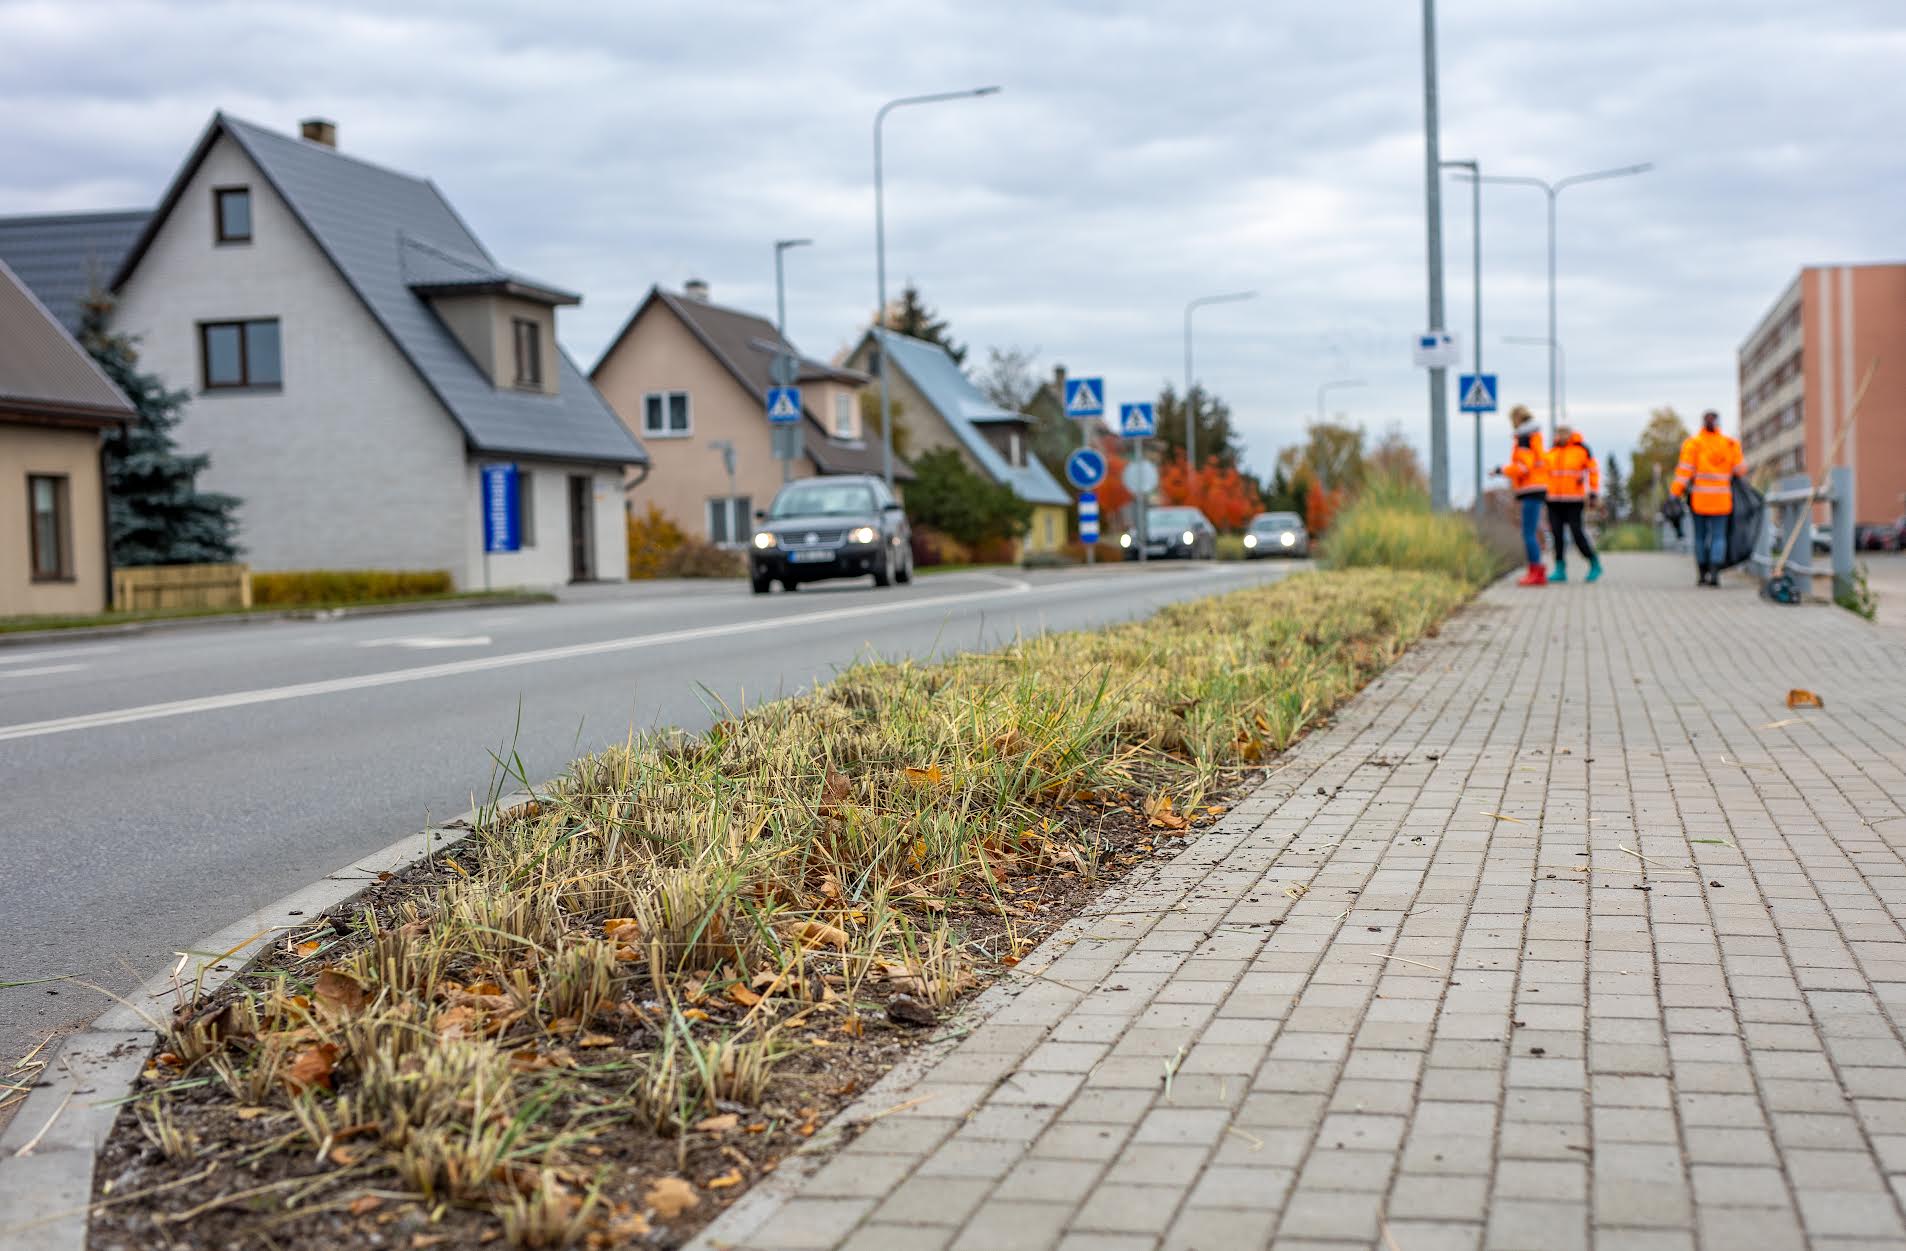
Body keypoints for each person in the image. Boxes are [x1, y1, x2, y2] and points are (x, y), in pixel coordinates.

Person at [1669, 409, 1745, 586]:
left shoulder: (1694, 444)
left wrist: (1674, 493)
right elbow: (1741, 469)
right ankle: (1715, 573)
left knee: (1700, 537)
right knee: (1719, 537)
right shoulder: (1729, 444)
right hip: (1721, 500)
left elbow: (1684, 472)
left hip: (1700, 500)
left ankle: (1702, 574)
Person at [1491, 405, 1549, 587]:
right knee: (1531, 530)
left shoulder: (1524, 438)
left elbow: (1523, 467)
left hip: (1531, 488)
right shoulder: (1534, 437)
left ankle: (1536, 571)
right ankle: (1536, 570)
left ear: (1517, 419)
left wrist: (1502, 470)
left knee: (1528, 532)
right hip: (1536, 487)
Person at [1544, 423, 1603, 583]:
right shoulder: (1551, 453)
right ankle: (1560, 568)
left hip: (1574, 499)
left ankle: (1594, 562)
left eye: (1564, 432)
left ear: (1570, 434)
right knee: (1556, 534)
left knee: (1577, 533)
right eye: (1558, 432)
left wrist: (1593, 492)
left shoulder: (1581, 451)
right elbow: (1544, 474)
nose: (1561, 435)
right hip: (1553, 500)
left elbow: (1593, 472)